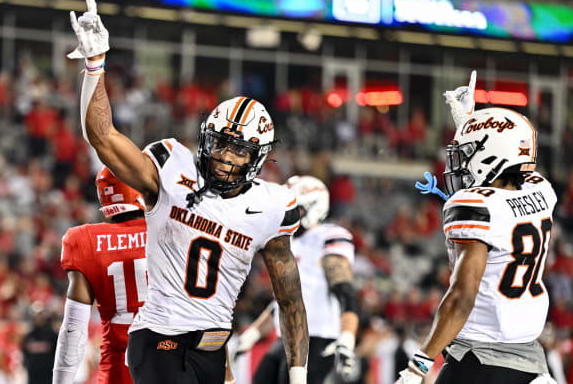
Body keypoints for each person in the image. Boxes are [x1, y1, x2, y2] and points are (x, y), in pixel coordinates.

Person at [67, 0, 309, 384]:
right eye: (221, 144)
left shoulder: (272, 205)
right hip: (158, 339)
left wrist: (298, 376)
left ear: (259, 159)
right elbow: (104, 137)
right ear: (206, 138)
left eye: (241, 151)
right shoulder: (170, 167)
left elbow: (290, 300)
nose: (227, 157)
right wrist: (96, 65)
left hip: (213, 349)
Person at [396, 74, 558, 384]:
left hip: (479, 361)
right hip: (531, 363)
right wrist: (469, 123)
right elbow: (512, 167)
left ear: (490, 156)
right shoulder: (542, 190)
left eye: (468, 153)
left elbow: (462, 297)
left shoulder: (474, 205)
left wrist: (418, 366)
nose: (461, 163)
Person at [235, 176, 359, 384]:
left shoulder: (328, 235)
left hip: (318, 337)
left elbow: (345, 291)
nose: (287, 213)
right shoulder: (288, 241)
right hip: (287, 336)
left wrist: (347, 338)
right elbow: (283, 302)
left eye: (295, 208)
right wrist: (251, 336)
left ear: (314, 208)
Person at [53, 166, 148, 384]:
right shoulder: (169, 229)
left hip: (117, 370)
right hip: (168, 365)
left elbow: (73, 327)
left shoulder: (84, 239)